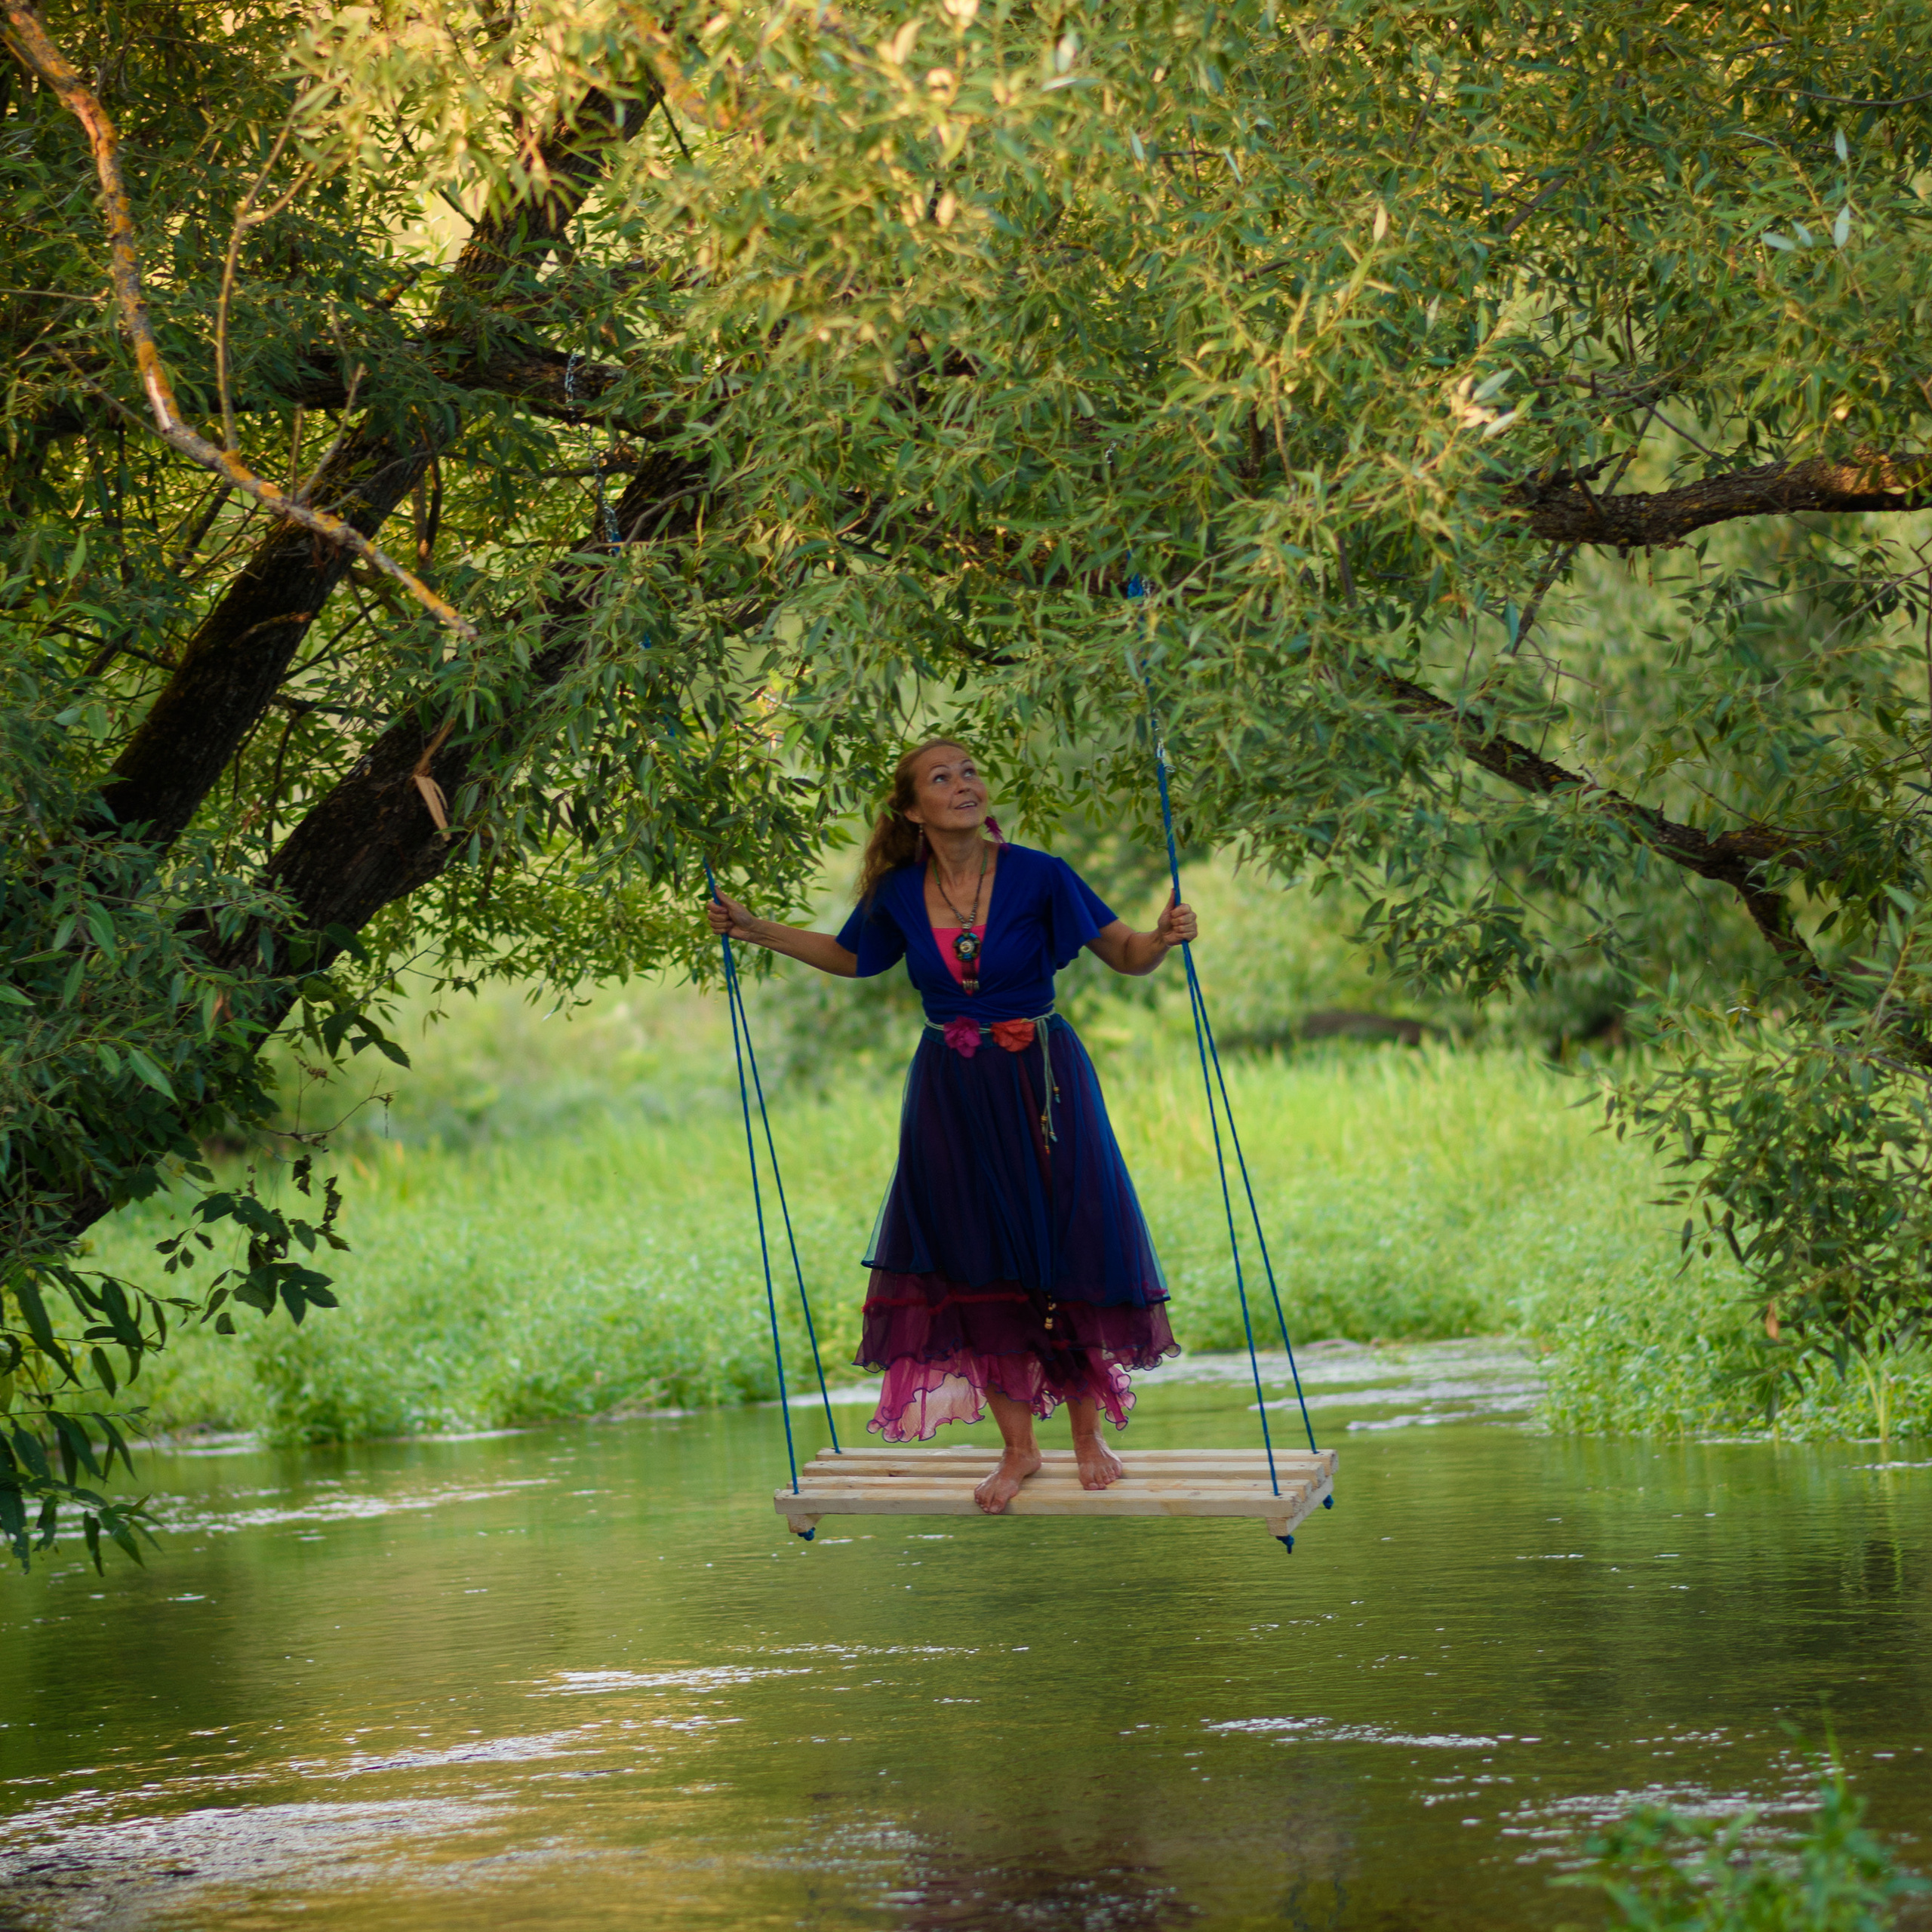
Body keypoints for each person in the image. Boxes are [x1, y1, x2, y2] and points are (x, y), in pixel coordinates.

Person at [706, 740, 1197, 1513]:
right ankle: (1017, 1450)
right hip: (950, 1088)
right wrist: (751, 929)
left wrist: (1164, 938)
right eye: (941, 777)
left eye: (970, 770)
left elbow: (1127, 954)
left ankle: (1086, 1434)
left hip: (1042, 1079)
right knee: (972, 1255)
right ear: (911, 810)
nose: (963, 783)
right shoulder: (899, 891)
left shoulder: (1041, 875)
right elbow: (851, 956)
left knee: (1065, 1240)